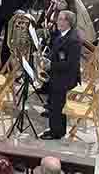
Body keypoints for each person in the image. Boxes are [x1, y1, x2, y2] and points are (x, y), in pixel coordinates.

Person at [40, 11, 81, 141]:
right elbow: (55, 53)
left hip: (65, 78)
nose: (58, 21)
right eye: (59, 19)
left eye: (61, 19)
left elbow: (70, 64)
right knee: (54, 103)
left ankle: (56, 132)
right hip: (58, 73)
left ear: (68, 22)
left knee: (56, 105)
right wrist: (47, 58)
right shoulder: (62, 35)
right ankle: (58, 129)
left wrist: (51, 65)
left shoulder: (73, 40)